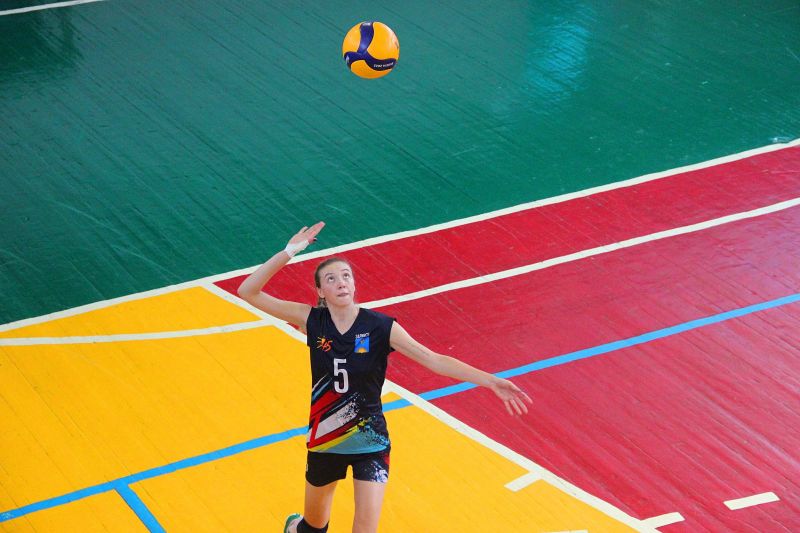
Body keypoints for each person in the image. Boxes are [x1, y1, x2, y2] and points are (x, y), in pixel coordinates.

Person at [237, 222, 532, 533]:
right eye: (331, 279)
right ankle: (296, 528)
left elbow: (433, 359)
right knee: (313, 528)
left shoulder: (380, 327)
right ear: (321, 291)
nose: (341, 282)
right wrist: (289, 251)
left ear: (354, 285)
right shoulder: (310, 319)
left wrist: (490, 381)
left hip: (371, 441)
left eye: (346, 276)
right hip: (325, 440)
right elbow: (247, 291)